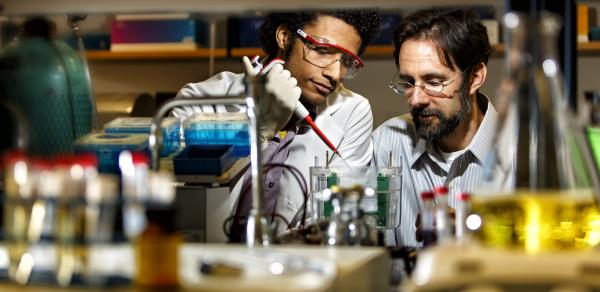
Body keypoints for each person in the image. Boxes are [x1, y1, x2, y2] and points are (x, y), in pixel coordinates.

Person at [173, 9, 380, 240]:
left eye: (347, 61)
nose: (335, 73)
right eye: (322, 50)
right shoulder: (200, 100)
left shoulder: (352, 112)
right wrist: (261, 125)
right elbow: (190, 191)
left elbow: (331, 222)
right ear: (284, 36)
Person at [371, 8, 496, 247]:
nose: (416, 99)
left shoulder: (521, 151)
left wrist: (476, 235)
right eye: (408, 82)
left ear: (474, 77)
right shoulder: (387, 144)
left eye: (433, 82)